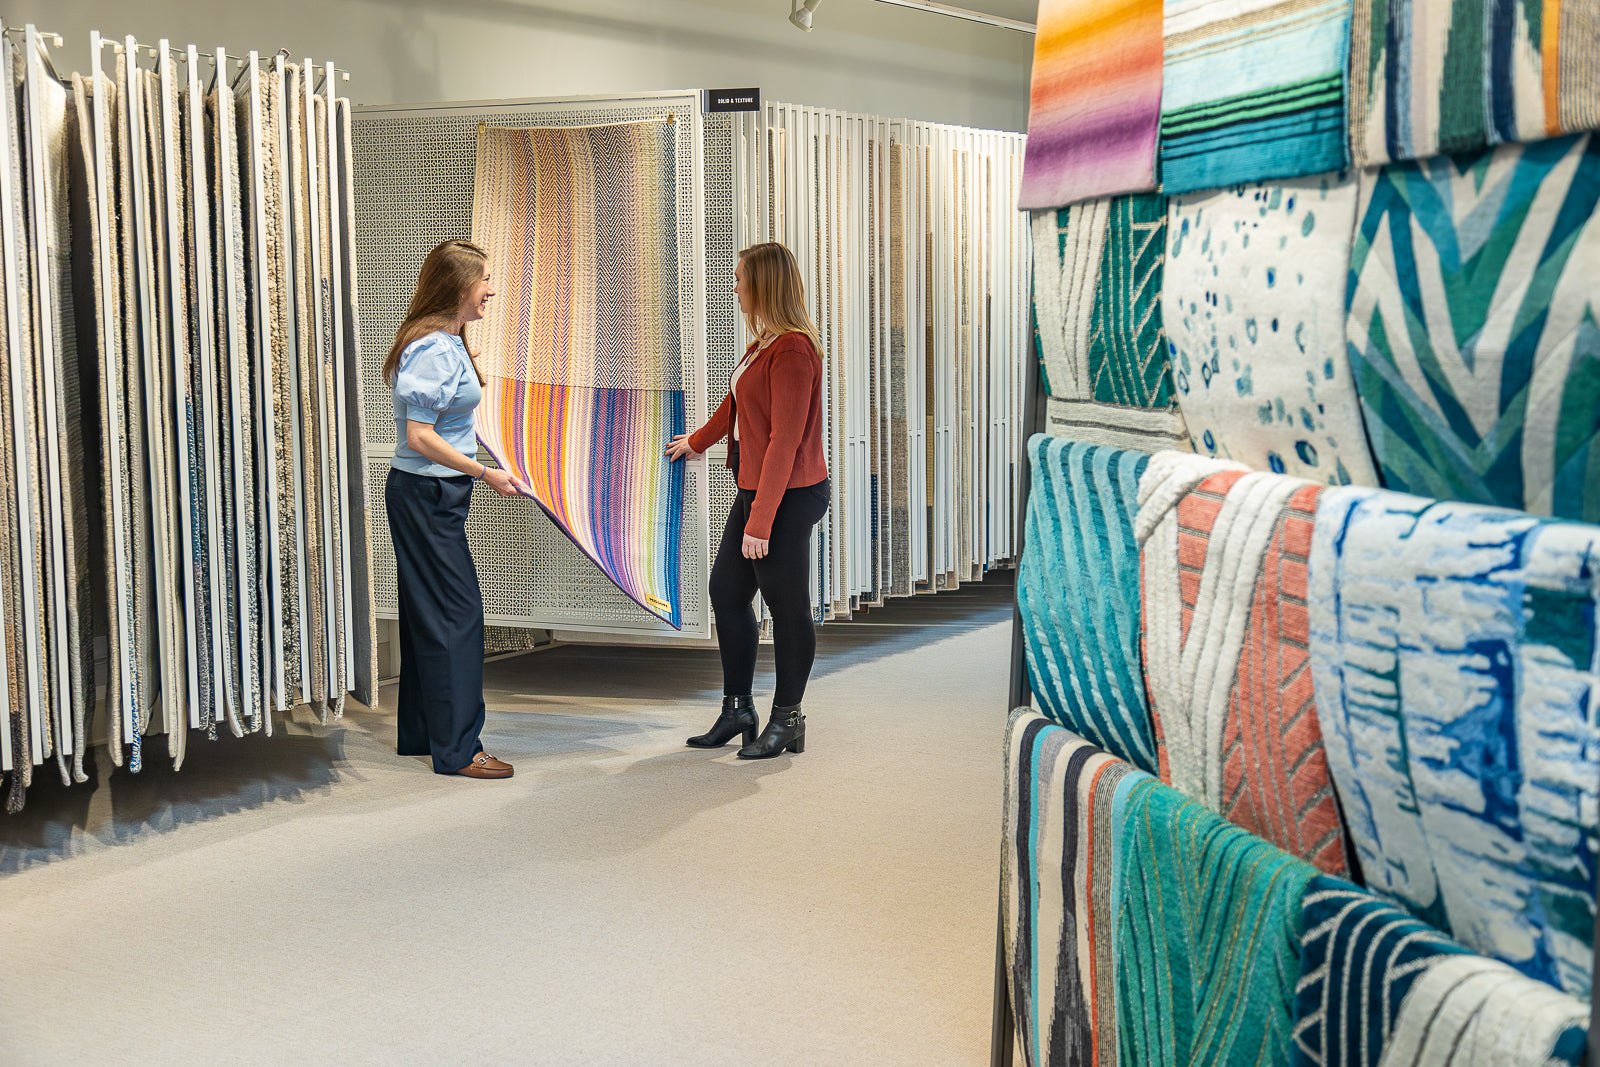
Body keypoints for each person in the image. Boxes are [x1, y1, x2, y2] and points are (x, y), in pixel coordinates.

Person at [666, 242, 831, 759]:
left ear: (764, 284)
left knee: (785, 606)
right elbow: (733, 408)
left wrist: (759, 522)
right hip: (758, 488)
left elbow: (785, 439)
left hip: (789, 494)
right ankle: (738, 708)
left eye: (740, 278)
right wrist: (695, 442)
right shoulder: (764, 343)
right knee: (727, 592)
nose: (733, 285)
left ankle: (788, 718)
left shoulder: (794, 351)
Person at [383, 239, 524, 779]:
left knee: (431, 612)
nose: (492, 288)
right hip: (430, 493)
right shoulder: (437, 348)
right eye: (485, 279)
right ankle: (461, 750)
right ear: (461, 287)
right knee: (459, 616)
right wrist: (485, 474)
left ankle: (425, 733)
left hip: (426, 493)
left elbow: (439, 411)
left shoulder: (441, 342)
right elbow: (419, 436)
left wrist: (466, 364)